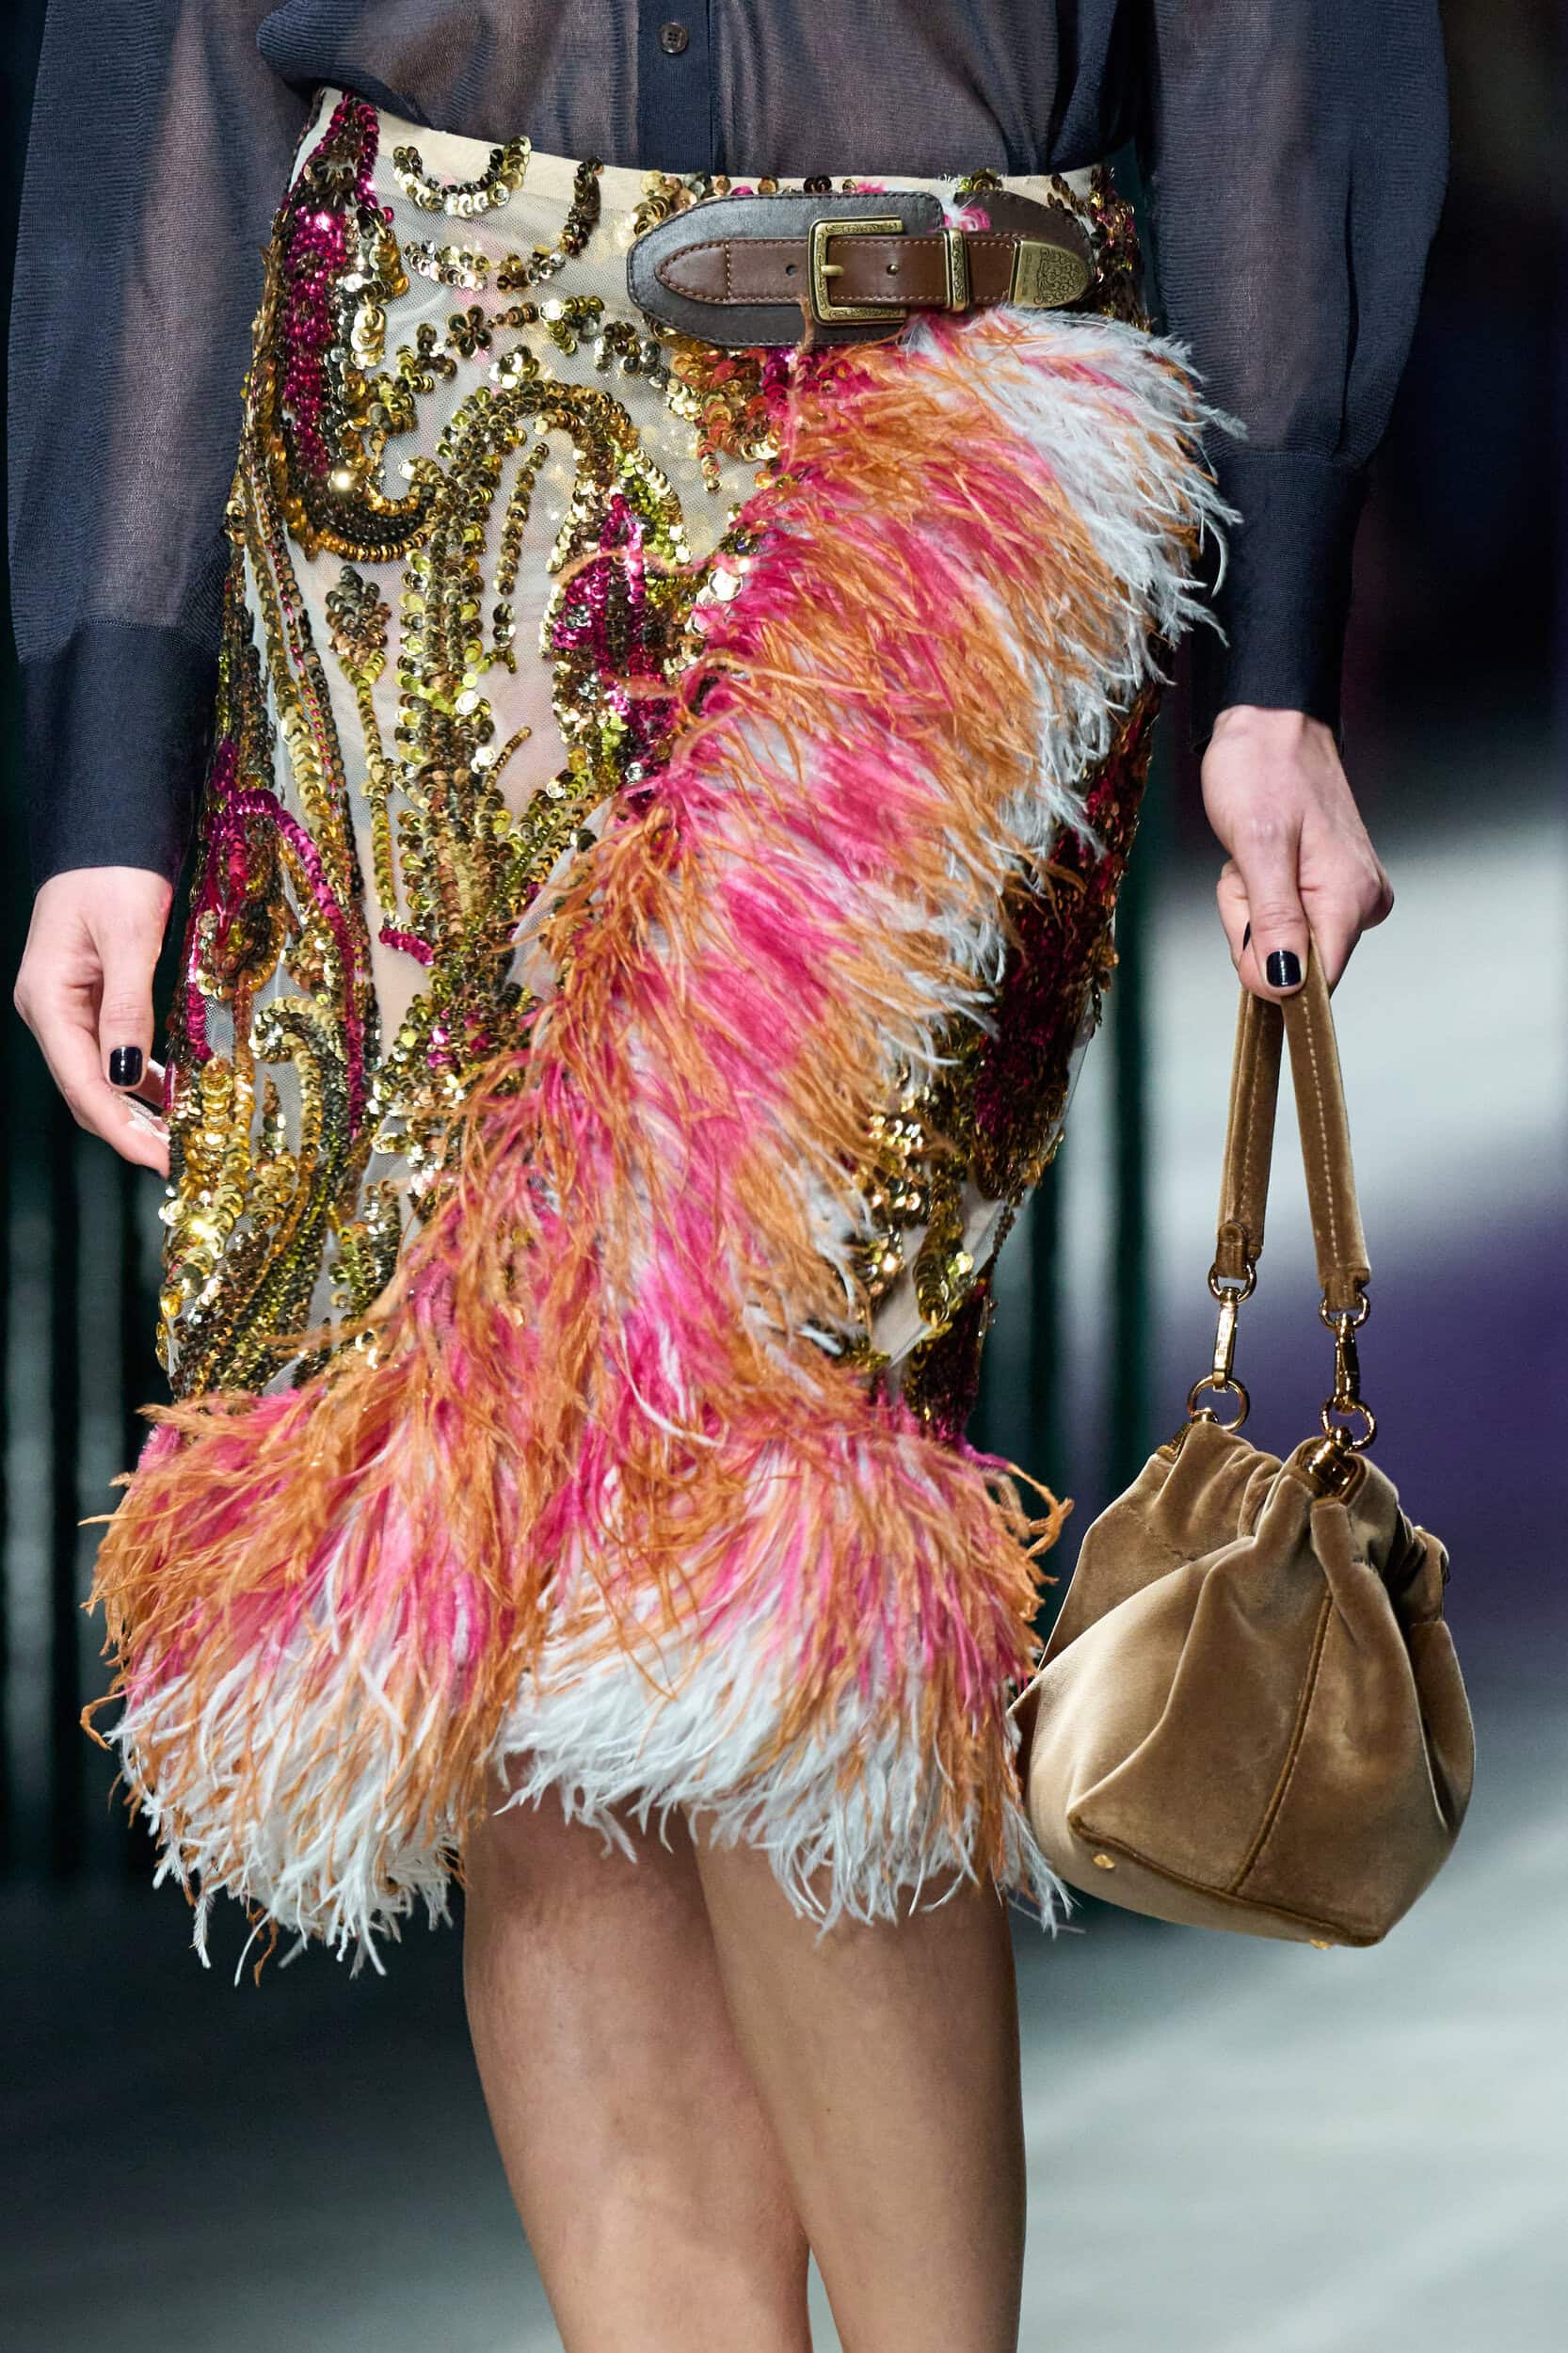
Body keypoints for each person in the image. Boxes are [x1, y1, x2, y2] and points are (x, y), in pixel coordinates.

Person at [8, 8, 1442, 2348]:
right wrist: (109, 754)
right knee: (492, 1527)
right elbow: (157, 53)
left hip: (949, 425)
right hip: (418, 429)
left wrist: (1276, 658)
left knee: (793, 1521)